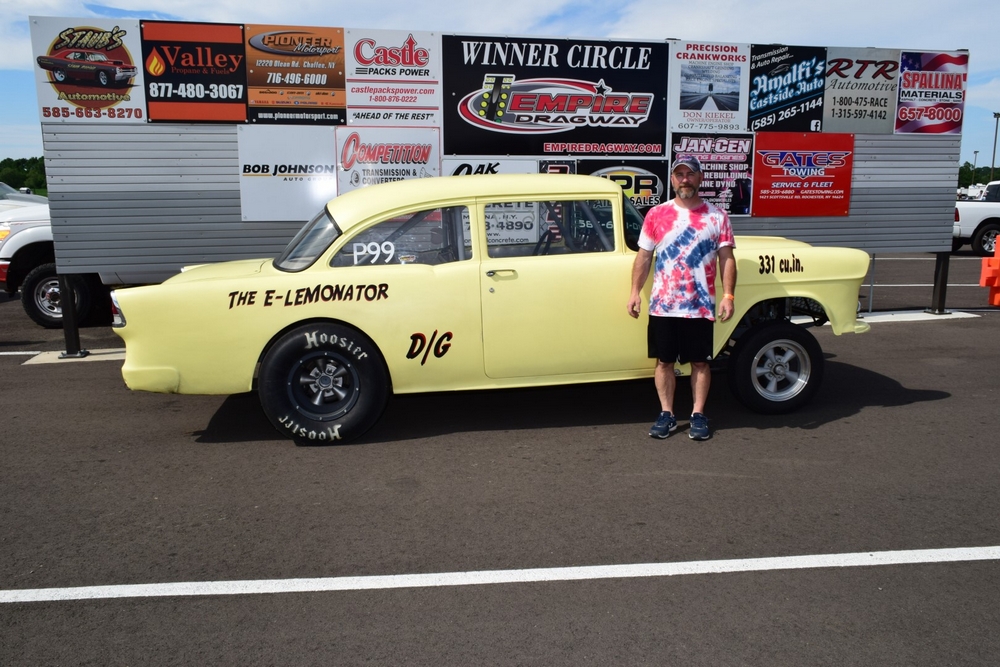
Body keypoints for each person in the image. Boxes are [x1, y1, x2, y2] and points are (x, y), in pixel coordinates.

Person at [626, 155, 737, 441]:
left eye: (690, 174)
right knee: (664, 362)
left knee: (700, 362)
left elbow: (727, 258)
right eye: (679, 174)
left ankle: (698, 414)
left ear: (700, 178)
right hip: (663, 306)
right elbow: (644, 257)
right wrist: (635, 292)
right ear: (672, 179)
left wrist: (728, 295)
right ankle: (667, 414)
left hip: (699, 307)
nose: (684, 179)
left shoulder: (717, 216)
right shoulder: (656, 214)